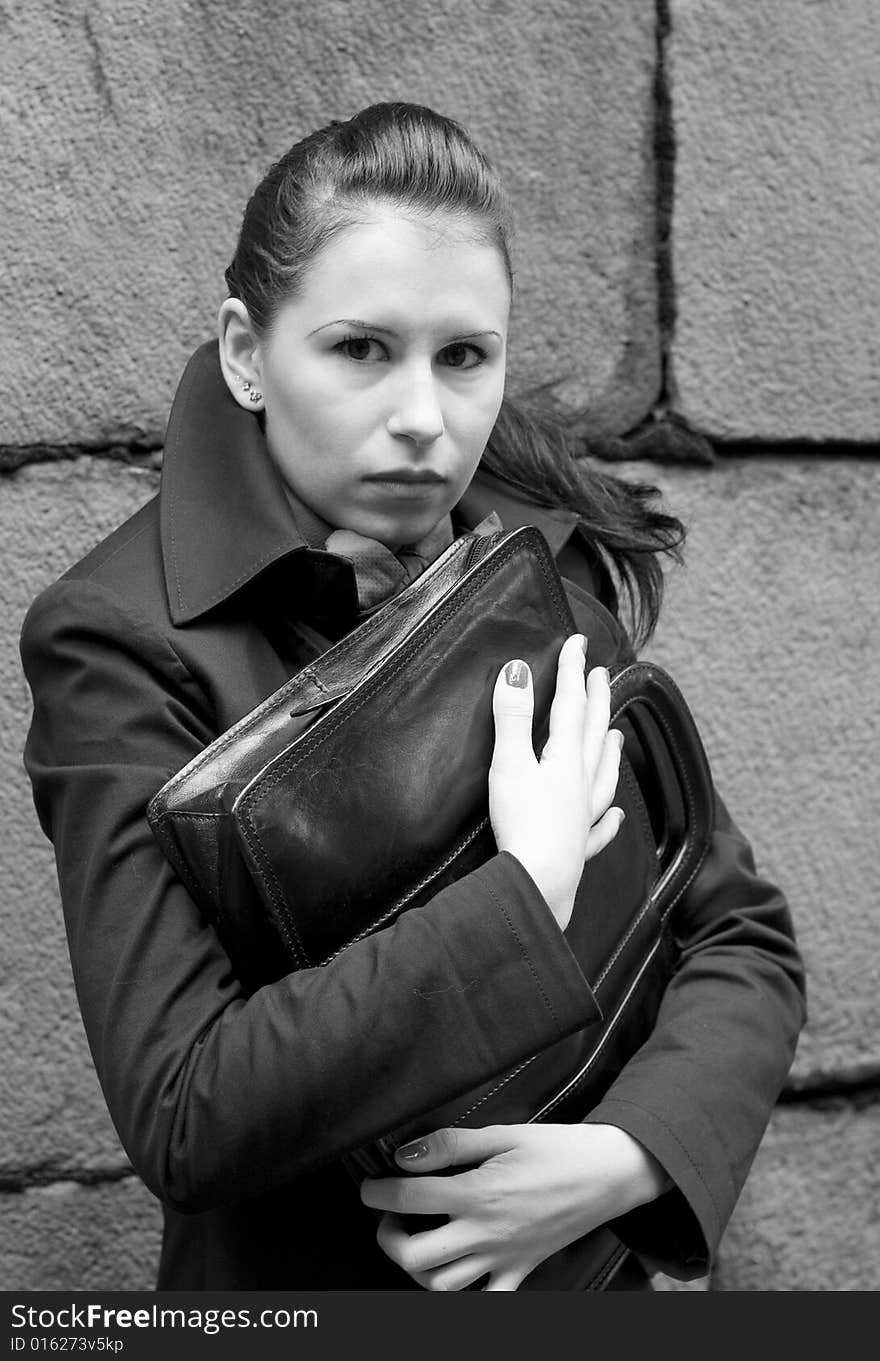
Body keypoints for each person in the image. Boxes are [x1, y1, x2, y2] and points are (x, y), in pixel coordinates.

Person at [20, 102, 805, 1292]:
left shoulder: (529, 565)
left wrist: (625, 1156)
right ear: (246, 353)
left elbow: (736, 931)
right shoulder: (124, 637)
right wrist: (521, 894)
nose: (424, 420)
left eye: (463, 357)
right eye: (358, 349)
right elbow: (185, 1109)